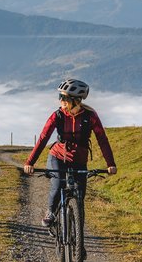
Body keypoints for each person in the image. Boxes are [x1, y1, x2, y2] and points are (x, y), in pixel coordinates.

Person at [23, 79, 117, 228]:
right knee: (59, 182)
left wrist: (110, 164)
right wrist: (30, 162)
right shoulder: (58, 115)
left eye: (65, 98)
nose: (61, 100)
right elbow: (43, 138)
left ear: (76, 100)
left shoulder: (90, 116)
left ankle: (79, 243)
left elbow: (102, 140)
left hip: (79, 159)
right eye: (60, 97)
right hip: (58, 156)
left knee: (79, 199)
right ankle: (51, 212)